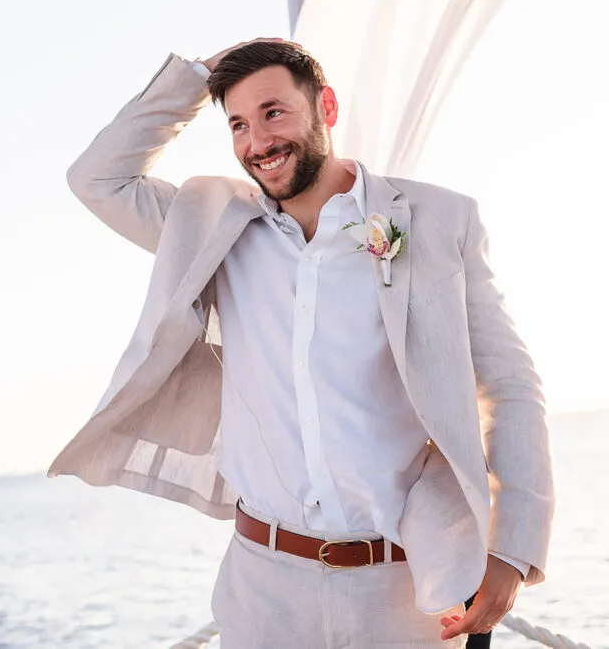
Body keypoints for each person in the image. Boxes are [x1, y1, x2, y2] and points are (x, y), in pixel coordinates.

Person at [48, 39, 554, 648]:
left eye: (274, 112)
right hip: (264, 588)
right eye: (238, 123)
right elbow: (96, 177)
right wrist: (198, 76)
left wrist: (512, 546)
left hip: (402, 587)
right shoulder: (212, 225)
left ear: (326, 108)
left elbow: (510, 386)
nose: (257, 142)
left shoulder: (438, 220)